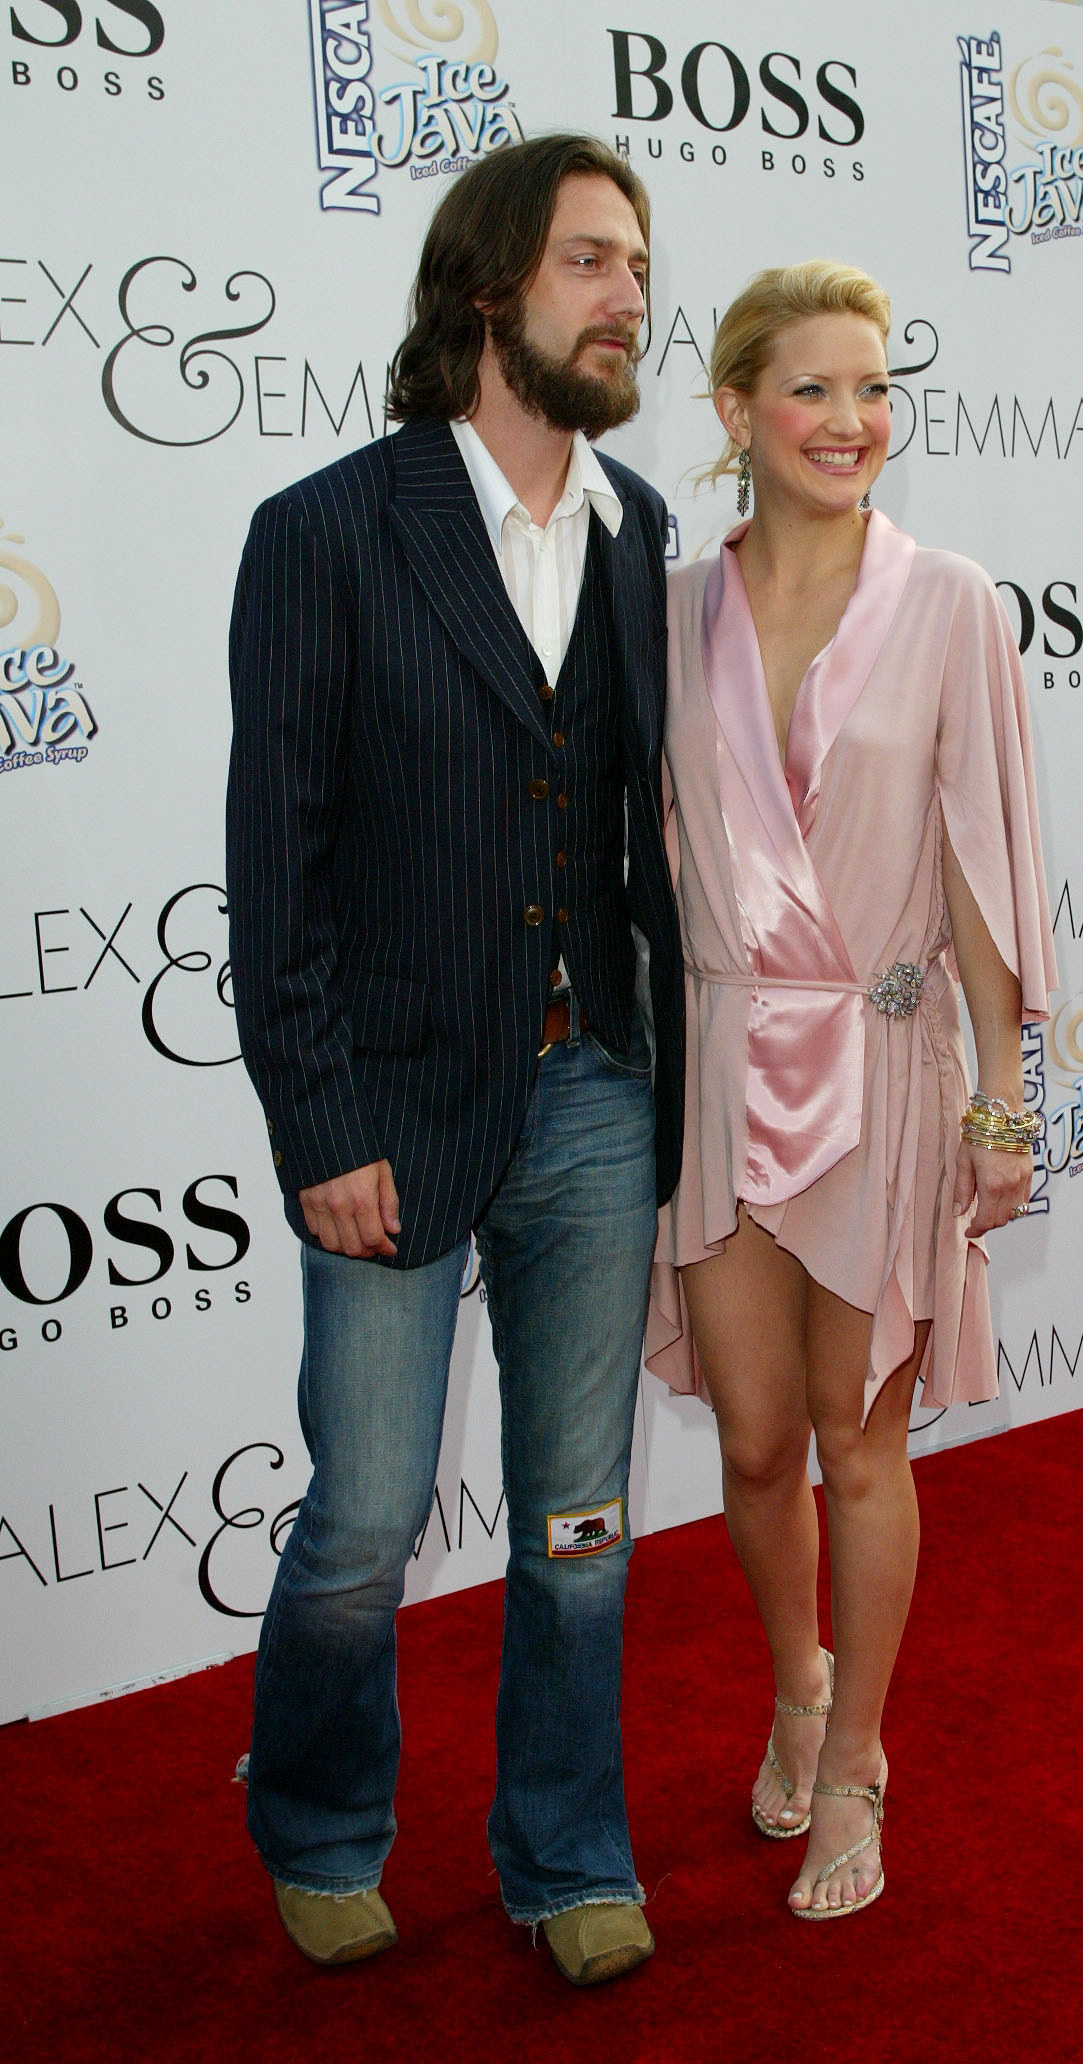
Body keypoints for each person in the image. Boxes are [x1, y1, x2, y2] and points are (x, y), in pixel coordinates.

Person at [225, 134, 683, 1986]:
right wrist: (320, 1117)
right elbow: (279, 867)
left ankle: (567, 1853)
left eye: (641, 265)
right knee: (364, 1518)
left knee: (581, 1520)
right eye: (591, 261)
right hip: (395, 1107)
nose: (627, 297)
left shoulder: (644, 529)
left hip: (596, 1098)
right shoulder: (328, 530)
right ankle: (322, 1825)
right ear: (488, 287)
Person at [645, 262, 1056, 1917]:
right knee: (753, 1439)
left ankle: (859, 1762)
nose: (850, 420)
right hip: (721, 1061)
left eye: (874, 389)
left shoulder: (951, 598)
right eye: (812, 389)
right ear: (739, 408)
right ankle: (795, 1683)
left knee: (859, 1441)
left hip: (884, 1070)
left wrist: (1006, 1091)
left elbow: (984, 860)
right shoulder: (666, 606)